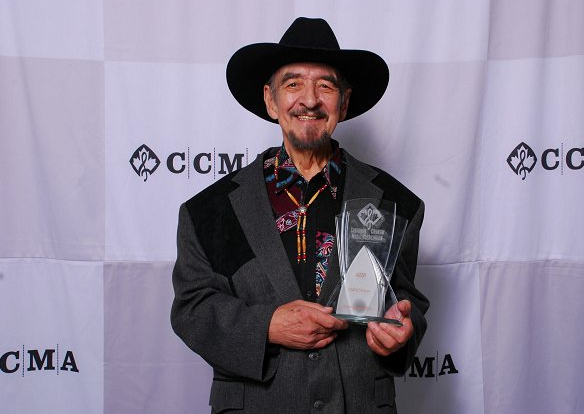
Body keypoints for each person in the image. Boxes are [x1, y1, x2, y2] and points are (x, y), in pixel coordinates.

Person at [171, 17, 429, 414]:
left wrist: (401, 335)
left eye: (325, 85)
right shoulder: (209, 210)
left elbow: (405, 303)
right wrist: (266, 326)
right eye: (292, 84)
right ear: (271, 101)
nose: (309, 99)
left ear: (343, 102)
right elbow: (192, 308)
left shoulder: (395, 204)